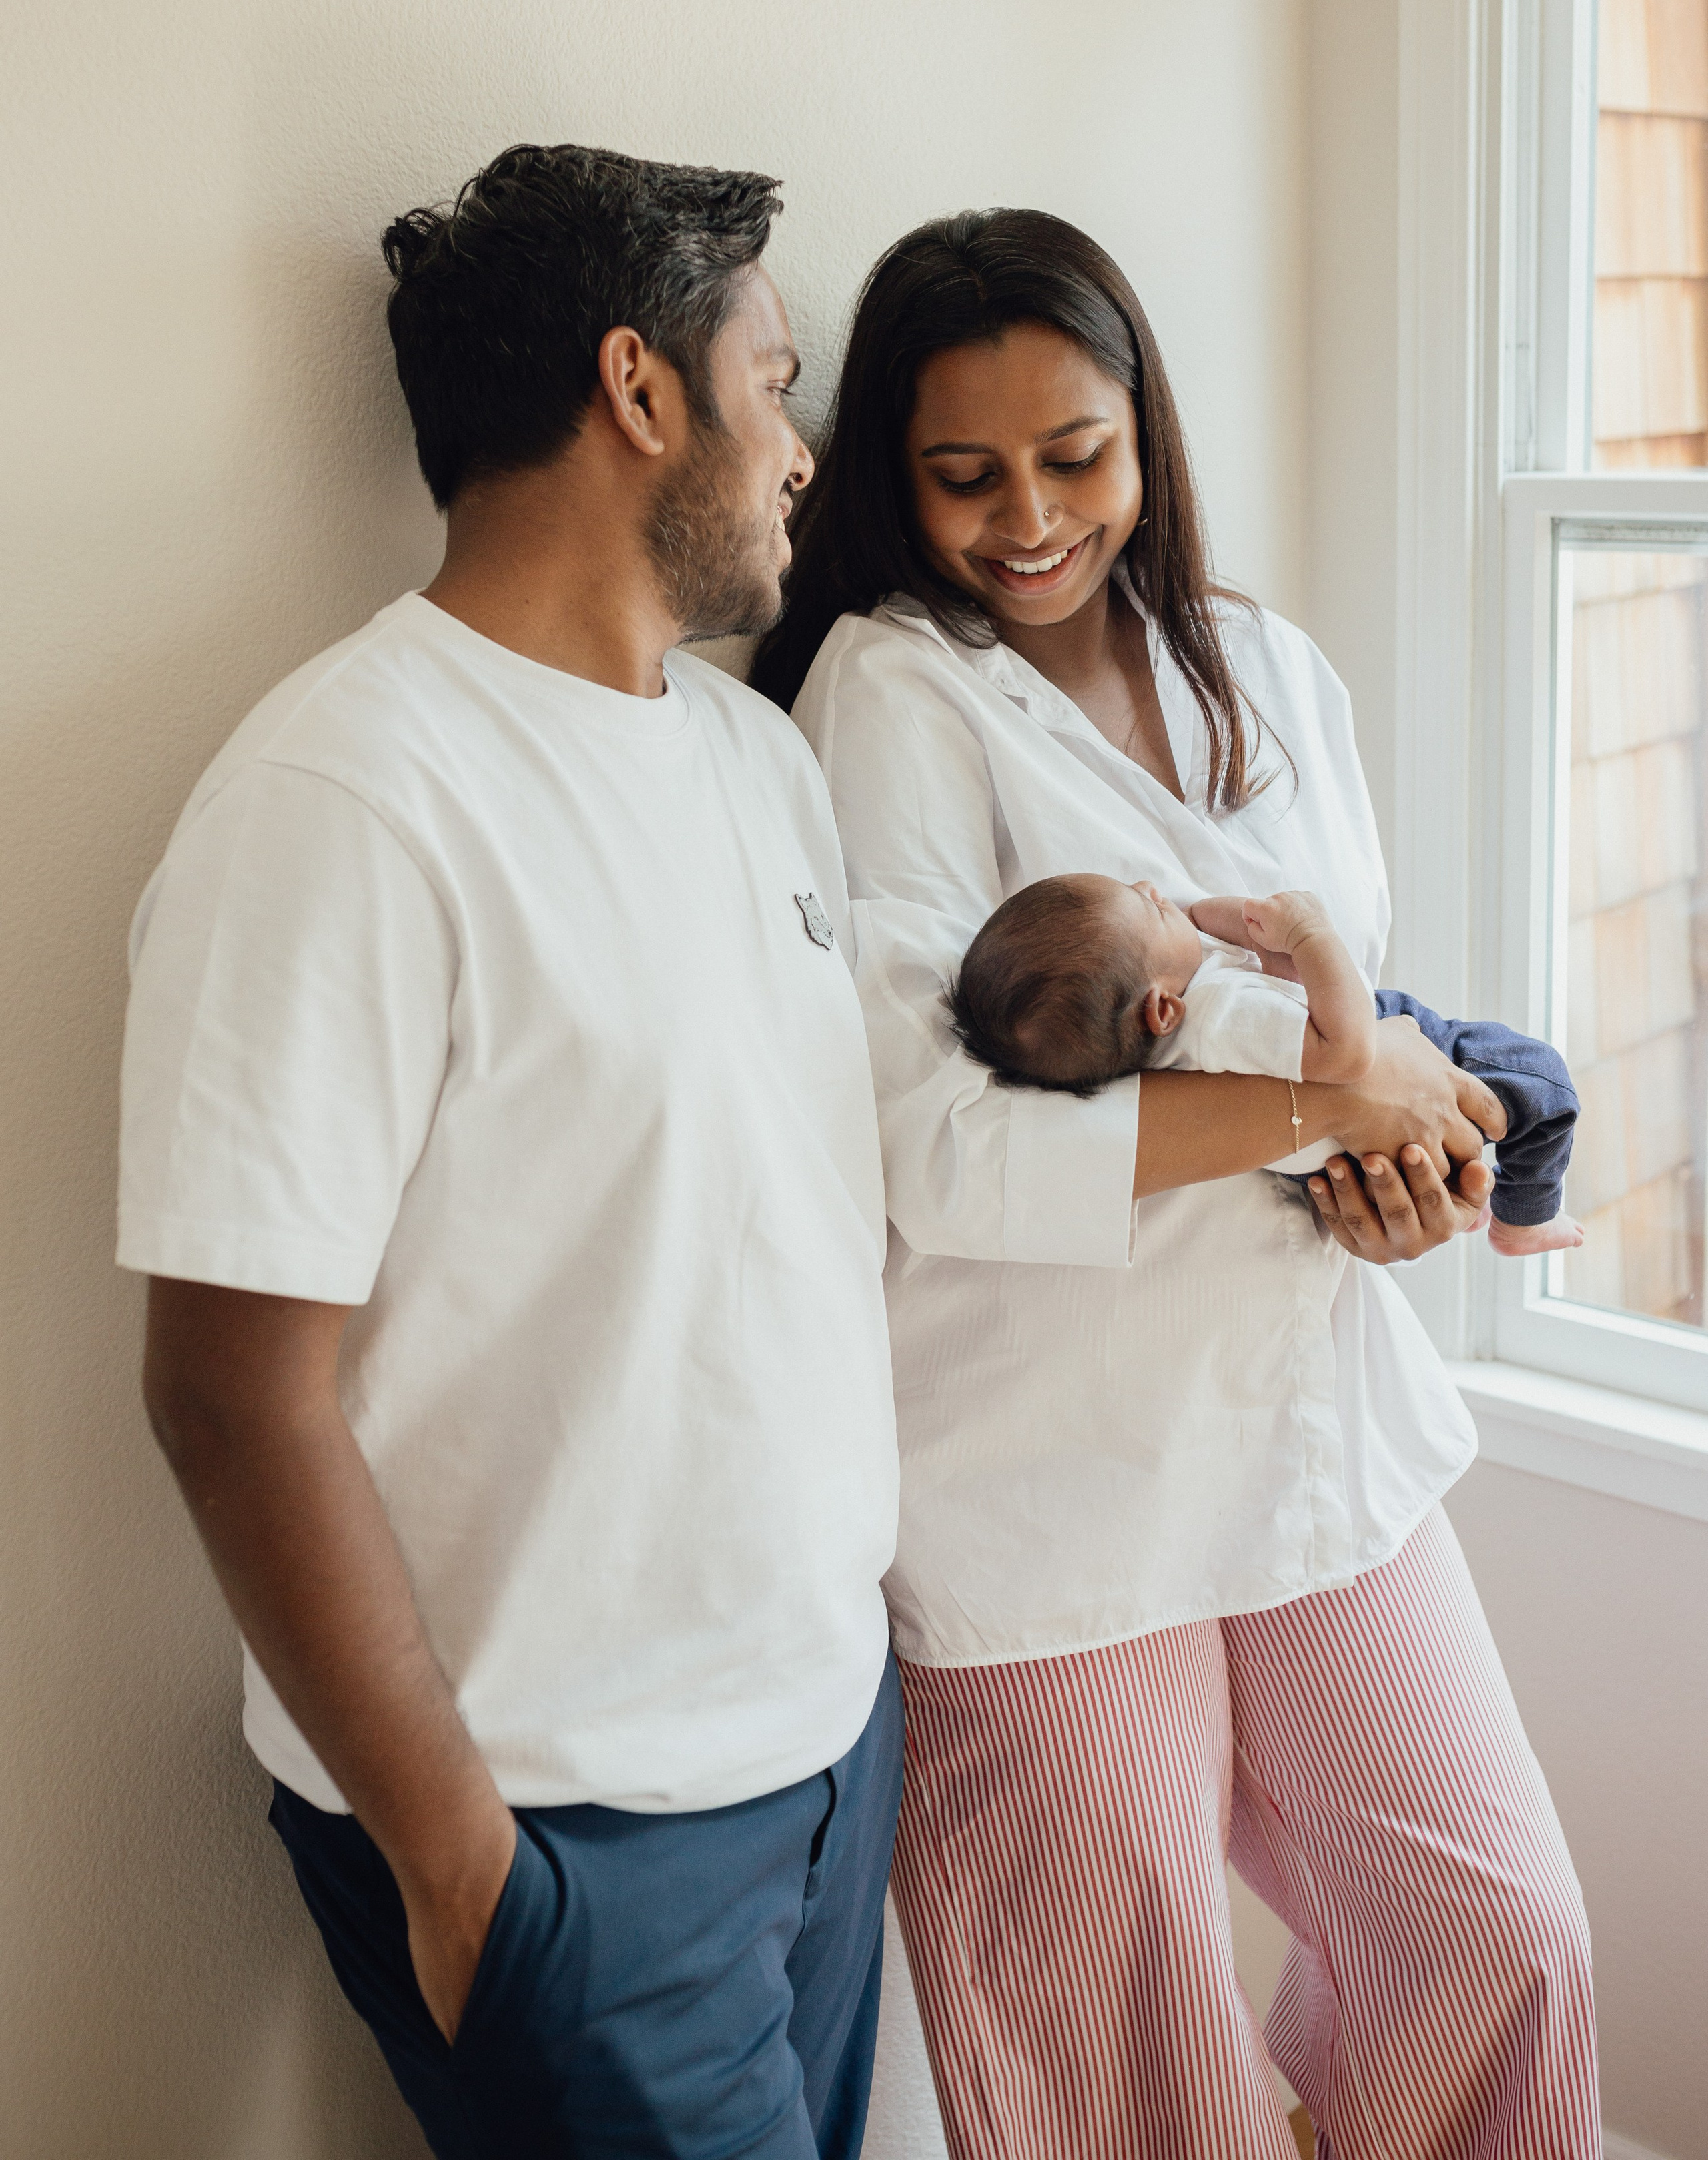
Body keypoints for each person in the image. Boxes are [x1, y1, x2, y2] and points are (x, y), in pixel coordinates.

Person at [753, 208, 1601, 2160]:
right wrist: (1335, 1095)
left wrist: (1395, 1171)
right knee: (1122, 2076)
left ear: (1145, 430)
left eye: (1075, 456)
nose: (1030, 517)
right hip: (1037, 1481)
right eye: (964, 475)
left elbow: (1360, 1040)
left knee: (1500, 1935)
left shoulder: (1270, 670)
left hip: (1306, 1421)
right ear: (892, 473)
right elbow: (934, 1147)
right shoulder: (890, 696)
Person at [121, 143, 903, 2160]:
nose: (806, 449)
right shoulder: (347, 793)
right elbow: (228, 1390)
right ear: (640, 389)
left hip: (818, 1750)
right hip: (561, 1827)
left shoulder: (751, 756)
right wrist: (464, 1869)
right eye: (775, 381)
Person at [948, 874, 1584, 1254]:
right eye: (1149, 908)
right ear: (1162, 1009)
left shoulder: (1188, 1016)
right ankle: (1526, 1220)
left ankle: (1489, 1204)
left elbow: (1215, 928)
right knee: (1542, 1083)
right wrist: (1310, 934)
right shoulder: (1223, 1015)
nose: (1152, 888)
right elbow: (1351, 1051)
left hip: (1335, 1134)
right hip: (1390, 1042)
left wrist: (1225, 924)